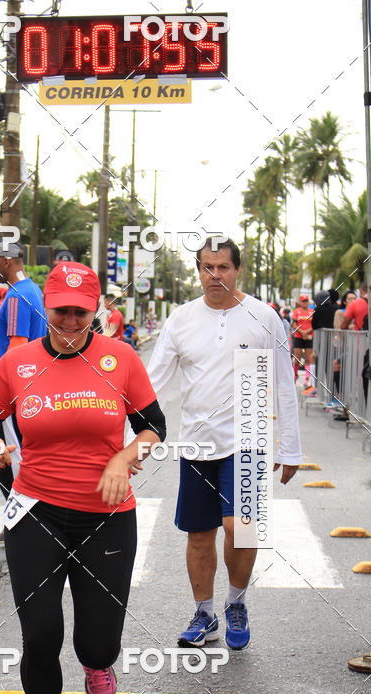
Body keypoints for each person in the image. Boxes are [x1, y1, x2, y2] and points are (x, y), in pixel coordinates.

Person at [0, 262, 165, 694]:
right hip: (36, 512)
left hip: (107, 518)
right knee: (40, 632)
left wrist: (124, 458)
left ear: (95, 309)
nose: (70, 320)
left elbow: (153, 427)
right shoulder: (18, 364)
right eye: (61, 311)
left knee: (96, 644)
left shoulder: (119, 360)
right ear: (44, 309)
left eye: (80, 310)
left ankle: (99, 664)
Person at [148, 238, 301, 651]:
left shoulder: (264, 317)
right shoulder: (181, 320)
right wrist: (130, 440)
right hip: (196, 441)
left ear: (238, 270)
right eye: (207, 267)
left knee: (241, 528)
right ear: (198, 270)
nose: (215, 275)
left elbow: (284, 384)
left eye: (223, 267)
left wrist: (290, 448)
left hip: (249, 437)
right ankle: (205, 613)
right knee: (199, 535)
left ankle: (237, 603)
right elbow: (152, 385)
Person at [0, 242, 47, 528]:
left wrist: (4, 393)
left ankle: (24, 517)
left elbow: (16, 348)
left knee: (10, 457)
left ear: (8, 261)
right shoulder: (33, 290)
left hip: (13, 392)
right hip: (31, 388)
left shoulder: (15, 297)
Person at [291, 294, 314, 386]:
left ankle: (307, 379)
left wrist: (307, 332)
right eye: (303, 301)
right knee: (297, 358)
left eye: (306, 301)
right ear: (300, 302)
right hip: (299, 336)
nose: (305, 303)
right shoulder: (297, 311)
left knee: (308, 358)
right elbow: (293, 324)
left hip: (309, 336)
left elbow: (314, 324)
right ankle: (294, 375)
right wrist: (302, 332)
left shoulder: (311, 311)